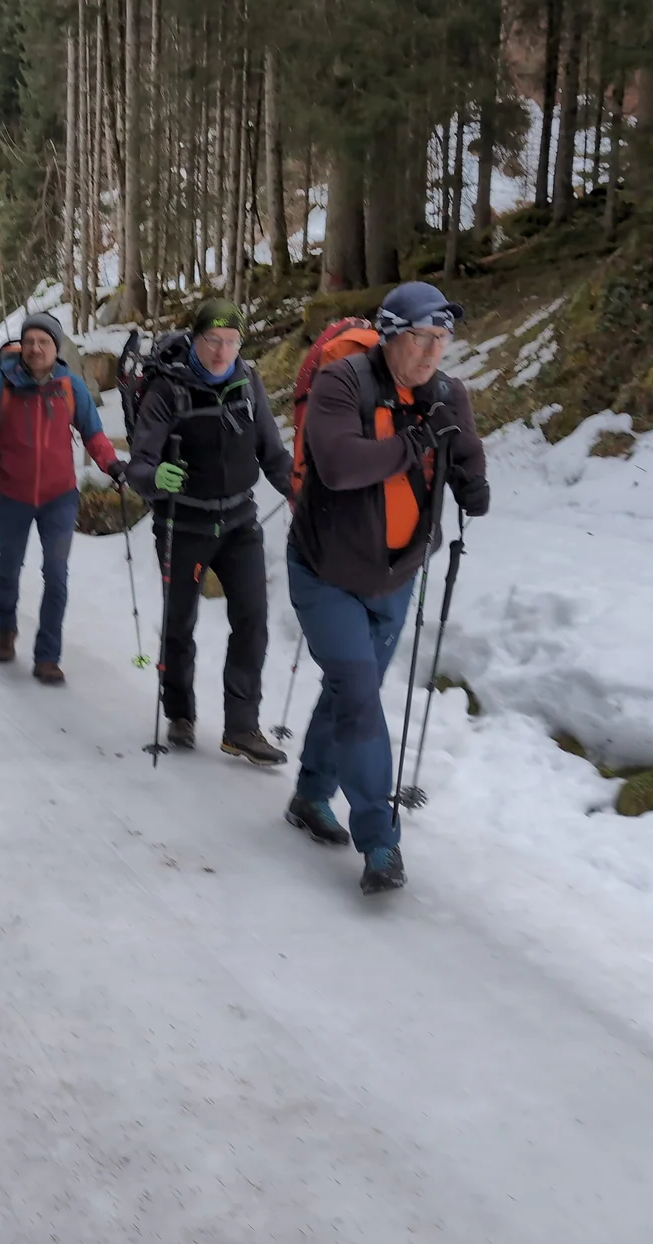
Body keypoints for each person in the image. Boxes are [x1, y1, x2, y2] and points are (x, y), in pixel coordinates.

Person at [284, 281, 490, 894]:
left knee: (355, 690)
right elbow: (340, 466)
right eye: (421, 338)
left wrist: (470, 480)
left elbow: (467, 458)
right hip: (324, 573)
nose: (432, 354)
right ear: (392, 334)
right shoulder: (343, 381)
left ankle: (310, 794)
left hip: (396, 577)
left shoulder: (448, 393)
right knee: (359, 696)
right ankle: (380, 841)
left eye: (442, 340)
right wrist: (415, 444)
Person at [123, 300, 293, 767]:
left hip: (240, 522)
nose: (222, 351)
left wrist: (300, 490)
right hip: (185, 523)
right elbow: (140, 462)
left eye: (232, 341)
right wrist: (155, 478)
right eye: (213, 340)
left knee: (252, 622)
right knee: (181, 622)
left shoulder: (248, 382)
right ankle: (179, 712)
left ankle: (241, 727)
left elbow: (272, 452)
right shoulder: (168, 389)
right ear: (196, 339)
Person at [0, 311, 125, 685]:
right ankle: (6, 627)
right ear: (22, 346)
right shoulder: (0, 383)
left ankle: (47, 656)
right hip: (12, 496)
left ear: (56, 348)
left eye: (45, 342)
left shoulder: (71, 387)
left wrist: (113, 466)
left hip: (60, 497)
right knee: (9, 567)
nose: (36, 348)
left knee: (56, 575)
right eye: (30, 341)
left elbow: (94, 435)